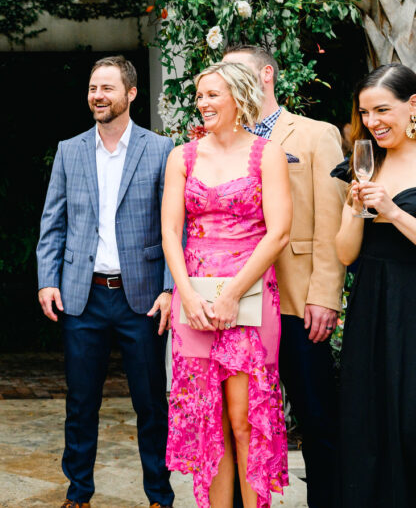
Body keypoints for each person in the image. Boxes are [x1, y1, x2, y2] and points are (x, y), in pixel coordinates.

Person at [36, 55, 175, 508]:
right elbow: (52, 224)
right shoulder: (69, 150)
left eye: (107, 88)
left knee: (152, 405)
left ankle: (159, 495)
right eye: (94, 87)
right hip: (83, 294)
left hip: (143, 298)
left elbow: (176, 225)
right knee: (80, 405)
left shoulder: (160, 149)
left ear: (131, 93)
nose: (98, 95)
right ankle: (78, 495)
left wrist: (171, 289)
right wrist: (47, 280)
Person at [163, 61, 291, 508]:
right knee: (207, 422)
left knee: (243, 421)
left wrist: (234, 293)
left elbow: (279, 233)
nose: (203, 104)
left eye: (212, 95)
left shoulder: (266, 154)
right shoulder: (183, 156)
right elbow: (169, 234)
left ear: (238, 97)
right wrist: (188, 295)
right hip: (195, 302)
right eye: (199, 96)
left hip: (250, 300)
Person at [223, 45, 345, 508]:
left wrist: (325, 296)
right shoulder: (224, 140)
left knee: (316, 416)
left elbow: (331, 222)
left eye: (238, 73)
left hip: (297, 300)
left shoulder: (316, 135)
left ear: (266, 74)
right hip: (239, 302)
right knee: (240, 418)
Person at [333, 63, 416, 505]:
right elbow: (346, 255)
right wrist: (353, 212)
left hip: (412, 304)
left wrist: (395, 213)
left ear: (413, 105)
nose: (373, 123)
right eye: (365, 113)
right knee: (370, 418)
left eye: (382, 109)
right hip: (371, 305)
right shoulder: (366, 163)